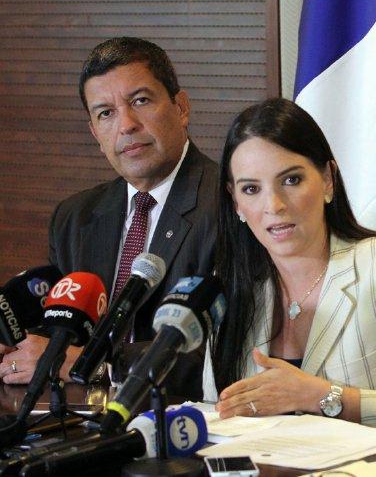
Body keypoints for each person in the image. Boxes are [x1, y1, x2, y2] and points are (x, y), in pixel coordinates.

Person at [203, 97, 376, 436]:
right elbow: (217, 412)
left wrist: (320, 396)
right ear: (235, 202)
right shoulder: (229, 285)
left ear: (328, 179)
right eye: (251, 189)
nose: (273, 205)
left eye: (291, 180)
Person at [0, 37, 218, 399]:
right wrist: (18, 345)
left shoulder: (229, 205)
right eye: (106, 113)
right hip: (79, 418)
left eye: (140, 101)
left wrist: (96, 366)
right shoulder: (74, 218)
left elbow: (223, 354)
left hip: (182, 418)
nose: (126, 125)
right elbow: (61, 328)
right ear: (95, 134)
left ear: (181, 107)